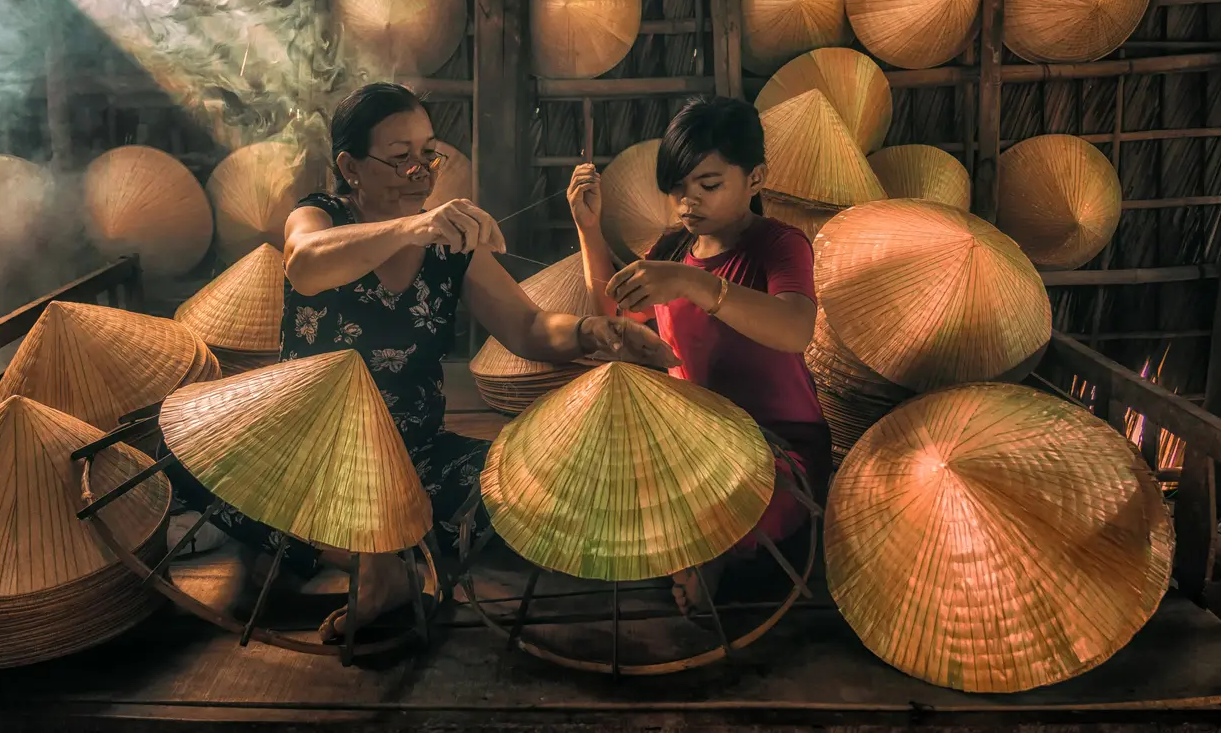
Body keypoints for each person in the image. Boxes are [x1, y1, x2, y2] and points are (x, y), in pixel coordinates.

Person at [176, 82, 677, 641]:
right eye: (399, 157)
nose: (420, 171)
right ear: (350, 166)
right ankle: (374, 557)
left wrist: (595, 332)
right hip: (307, 451)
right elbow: (304, 265)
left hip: (411, 456)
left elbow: (529, 328)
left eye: (427, 153)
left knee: (529, 502)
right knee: (180, 459)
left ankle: (359, 545)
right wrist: (415, 225)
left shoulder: (448, 245)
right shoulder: (320, 217)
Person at [566, 96, 826, 612]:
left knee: (733, 504)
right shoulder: (670, 249)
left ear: (755, 179)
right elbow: (616, 319)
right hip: (695, 444)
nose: (689, 202)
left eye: (708, 185)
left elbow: (796, 329)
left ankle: (711, 556)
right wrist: (588, 228)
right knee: (599, 483)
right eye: (679, 188)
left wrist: (694, 282)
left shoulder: (778, 244)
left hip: (778, 451)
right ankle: (698, 549)